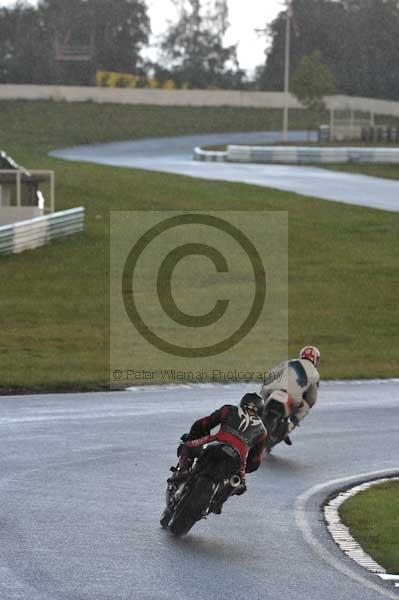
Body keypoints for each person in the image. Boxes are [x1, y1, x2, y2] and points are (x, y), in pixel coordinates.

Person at [175, 392, 267, 513]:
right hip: (237, 459)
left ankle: (182, 473)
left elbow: (203, 423)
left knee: (186, 446)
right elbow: (256, 460)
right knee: (239, 484)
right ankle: (218, 502)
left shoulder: (228, 410)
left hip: (215, 444)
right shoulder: (262, 431)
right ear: (260, 410)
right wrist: (246, 469)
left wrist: (192, 436)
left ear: (242, 402)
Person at [260, 346, 320, 445]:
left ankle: (249, 417)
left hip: (273, 390)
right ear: (316, 360)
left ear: (301, 355)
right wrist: (304, 403)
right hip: (293, 397)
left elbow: (269, 375)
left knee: (259, 400)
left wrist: (267, 387)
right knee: (305, 408)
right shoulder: (314, 373)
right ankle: (289, 428)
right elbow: (312, 399)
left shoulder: (289, 362)